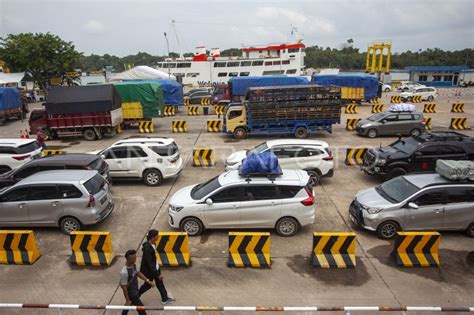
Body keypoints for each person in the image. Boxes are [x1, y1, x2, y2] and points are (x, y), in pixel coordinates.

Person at [139, 229, 175, 305]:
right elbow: (150, 263)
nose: (157, 237)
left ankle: (164, 299)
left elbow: (153, 260)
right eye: (156, 236)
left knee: (159, 283)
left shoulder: (153, 244)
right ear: (152, 237)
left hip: (154, 268)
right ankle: (135, 297)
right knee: (148, 285)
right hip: (150, 271)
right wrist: (158, 273)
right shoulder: (147, 249)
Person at [120, 250, 153, 315]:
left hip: (135, 290)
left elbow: (138, 273)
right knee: (142, 310)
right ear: (129, 259)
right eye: (134, 258)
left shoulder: (133, 265)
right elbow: (124, 287)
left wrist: (148, 280)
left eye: (135, 257)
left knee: (129, 304)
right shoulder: (124, 272)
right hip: (132, 294)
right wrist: (127, 300)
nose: (135, 259)